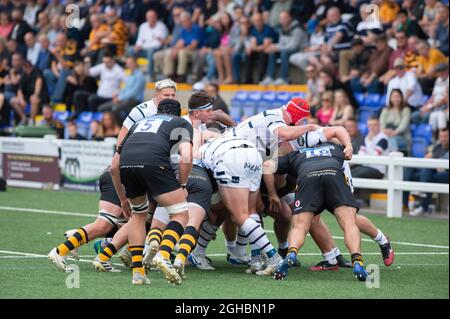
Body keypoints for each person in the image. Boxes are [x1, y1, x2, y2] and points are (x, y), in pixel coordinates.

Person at [111, 99, 193, 286]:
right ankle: (163, 255)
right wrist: (182, 184)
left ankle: (138, 272)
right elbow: (186, 157)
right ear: (178, 113)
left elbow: (114, 165)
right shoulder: (181, 123)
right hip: (154, 163)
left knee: (138, 216)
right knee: (180, 213)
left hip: (127, 164)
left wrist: (123, 199)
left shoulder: (139, 123)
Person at [266, 142, 368, 282]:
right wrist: (349, 146)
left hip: (308, 177)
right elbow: (343, 143)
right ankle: (357, 261)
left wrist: (272, 193)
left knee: (300, 226)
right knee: (349, 222)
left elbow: (267, 167)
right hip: (333, 174)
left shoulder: (295, 154)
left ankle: (291, 253)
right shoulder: (335, 148)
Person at [48, 167, 127, 273]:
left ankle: (86, 242)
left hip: (120, 175)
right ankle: (60, 251)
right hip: (120, 177)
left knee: (127, 225)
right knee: (105, 225)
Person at [405, 127, 449, 216]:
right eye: (441, 136)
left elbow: (442, 165)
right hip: (433, 172)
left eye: (446, 136)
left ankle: (422, 205)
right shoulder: (437, 147)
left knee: (429, 174)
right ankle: (404, 205)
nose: (443, 139)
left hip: (446, 173)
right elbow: (429, 158)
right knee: (409, 170)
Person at [261, 10, 306, 85]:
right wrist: (274, 47)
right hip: (287, 50)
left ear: (289, 18)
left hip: (301, 49)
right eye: (281, 19)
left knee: (283, 52)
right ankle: (270, 77)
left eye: (284, 18)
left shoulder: (297, 28)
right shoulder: (282, 29)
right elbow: (281, 43)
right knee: (273, 51)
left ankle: (284, 78)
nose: (282, 21)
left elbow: (294, 46)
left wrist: (278, 48)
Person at [162, 11, 202, 83]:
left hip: (196, 51)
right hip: (185, 49)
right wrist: (174, 50)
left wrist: (179, 50)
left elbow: (193, 45)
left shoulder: (196, 28)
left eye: (184, 21)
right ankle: (169, 75)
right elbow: (180, 42)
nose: (183, 23)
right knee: (169, 52)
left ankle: (181, 76)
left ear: (189, 20)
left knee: (182, 52)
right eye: (182, 22)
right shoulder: (183, 30)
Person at [131, 10, 168, 81]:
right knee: (131, 50)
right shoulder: (143, 26)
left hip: (156, 50)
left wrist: (143, 46)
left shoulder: (161, 26)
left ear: (156, 17)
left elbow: (158, 44)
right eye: (149, 17)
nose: (151, 19)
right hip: (143, 49)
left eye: (152, 17)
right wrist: (137, 46)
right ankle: (135, 73)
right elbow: (139, 40)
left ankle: (149, 75)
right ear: (146, 18)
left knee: (150, 51)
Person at [10, 59, 49, 125]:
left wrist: (36, 94)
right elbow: (20, 89)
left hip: (41, 97)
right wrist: (21, 99)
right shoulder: (24, 74)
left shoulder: (37, 71)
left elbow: (39, 82)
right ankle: (24, 118)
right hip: (28, 98)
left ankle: (31, 121)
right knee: (13, 101)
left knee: (33, 99)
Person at [380, 89, 411, 154]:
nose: (396, 99)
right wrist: (385, 131)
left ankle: (394, 158)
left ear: (401, 98)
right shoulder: (386, 109)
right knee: (381, 137)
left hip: (402, 136)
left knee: (390, 139)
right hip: (387, 134)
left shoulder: (406, 110)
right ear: (390, 98)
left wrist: (394, 133)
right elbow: (381, 124)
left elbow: (403, 126)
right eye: (394, 96)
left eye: (398, 96)